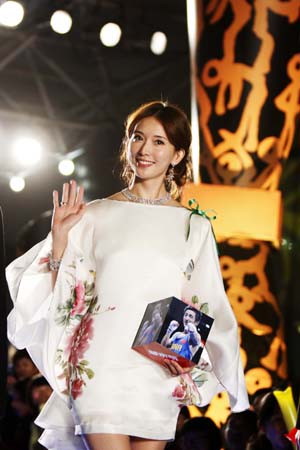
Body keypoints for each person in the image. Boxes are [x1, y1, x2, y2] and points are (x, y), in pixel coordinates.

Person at [6, 100, 249, 450]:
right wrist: (59, 241)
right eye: (137, 137)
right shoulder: (94, 214)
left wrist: (198, 360)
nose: (144, 149)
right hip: (97, 364)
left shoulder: (192, 226)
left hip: (156, 370)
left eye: (159, 142)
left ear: (177, 155)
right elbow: (63, 297)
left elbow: (205, 301)